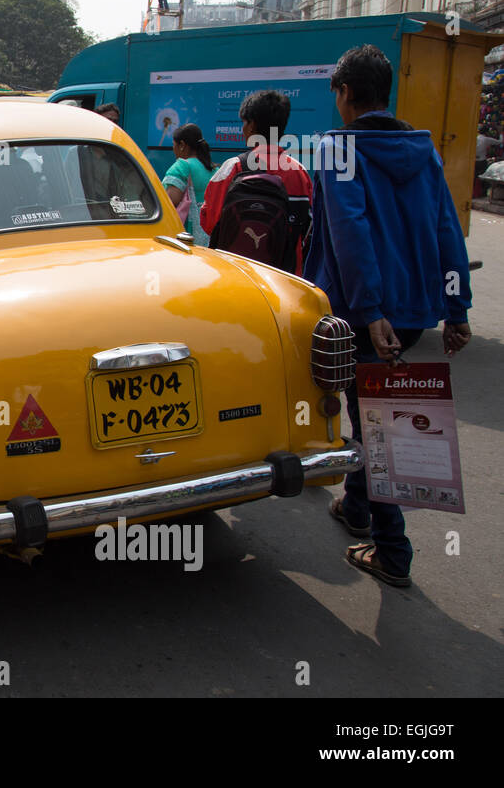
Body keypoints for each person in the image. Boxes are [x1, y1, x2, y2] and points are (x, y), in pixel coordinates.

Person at [305, 44, 472, 589]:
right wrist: (456, 307)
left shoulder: (335, 150)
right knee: (379, 413)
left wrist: (371, 309)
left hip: (362, 309)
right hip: (410, 310)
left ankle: (392, 550)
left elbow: (351, 233)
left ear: (346, 93)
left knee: (380, 427)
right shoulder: (423, 151)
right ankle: (356, 508)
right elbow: (447, 226)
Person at [200, 89, 314, 274]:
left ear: (251, 125)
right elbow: (307, 230)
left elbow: (209, 222)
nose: (242, 129)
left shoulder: (234, 168)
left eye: (243, 123)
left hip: (238, 275)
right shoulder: (300, 173)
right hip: (286, 278)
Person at [162, 123, 216, 246]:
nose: (173, 150)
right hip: (211, 241)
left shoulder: (182, 167)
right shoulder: (215, 170)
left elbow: (168, 204)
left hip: (186, 241)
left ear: (182, 145)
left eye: (174, 145)